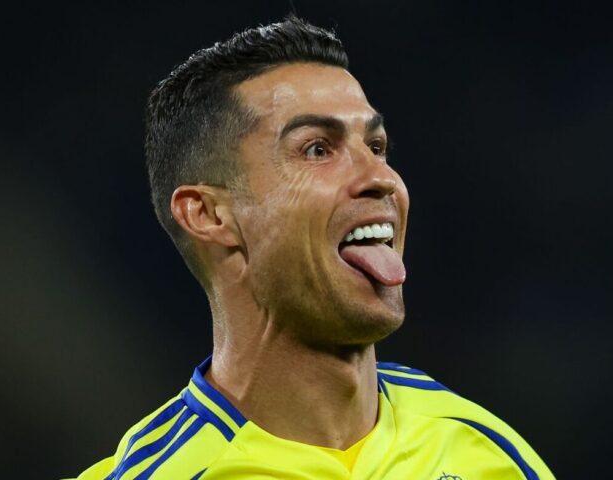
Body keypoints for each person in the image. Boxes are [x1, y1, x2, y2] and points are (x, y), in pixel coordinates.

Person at [71, 16, 554, 480]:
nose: (381, 178)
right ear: (208, 215)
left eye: (377, 147)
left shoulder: (487, 451)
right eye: (318, 149)